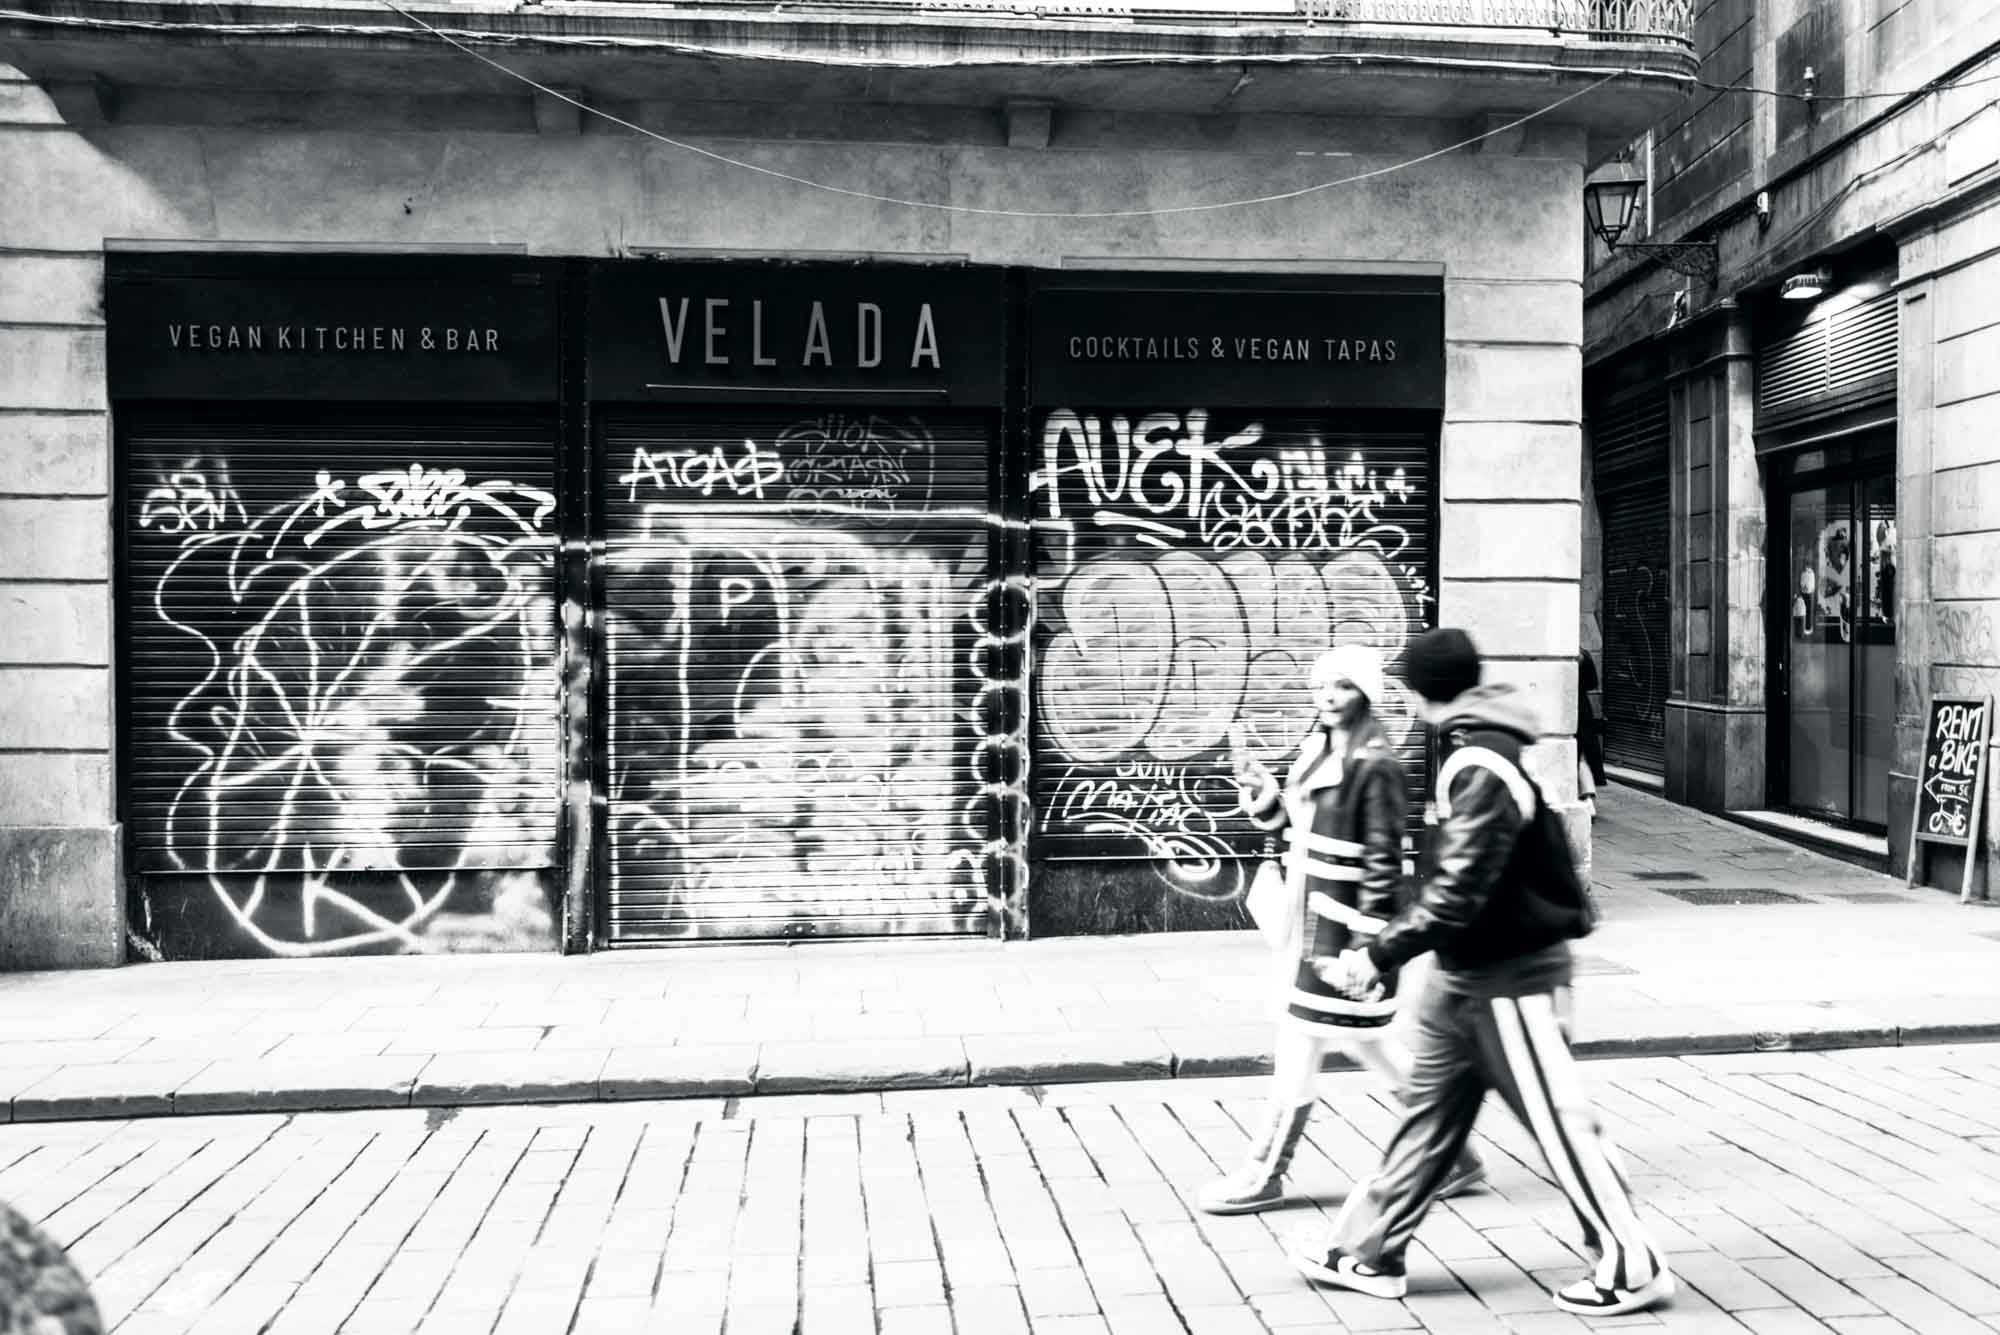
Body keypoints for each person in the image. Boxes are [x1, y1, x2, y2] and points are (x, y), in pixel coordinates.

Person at [1288, 628, 1674, 1319]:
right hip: (1468, 972)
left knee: (1557, 1119)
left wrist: (1378, 953)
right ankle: (1368, 1250)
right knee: (1430, 1115)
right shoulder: (1472, 745)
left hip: (1508, 973)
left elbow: (1459, 889)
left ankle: (1630, 1262)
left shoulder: (1480, 762)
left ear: (1419, 690)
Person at [1199, 644, 1485, 1216]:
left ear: (1366, 694)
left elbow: (1384, 864)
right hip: (1312, 924)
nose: (1328, 697)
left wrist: (1366, 948)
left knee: (1299, 1042)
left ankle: (1266, 1171)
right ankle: (1454, 1154)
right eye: (1321, 686)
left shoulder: (1375, 764)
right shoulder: (1320, 749)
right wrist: (1261, 792)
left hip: (1340, 934)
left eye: (1342, 686)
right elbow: (1294, 832)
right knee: (1369, 1043)